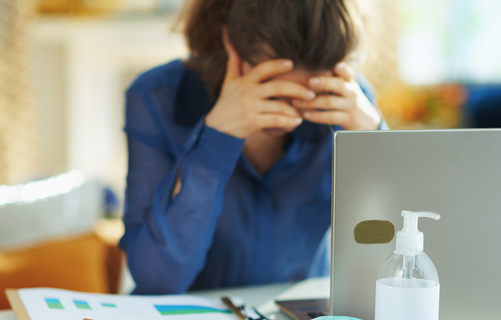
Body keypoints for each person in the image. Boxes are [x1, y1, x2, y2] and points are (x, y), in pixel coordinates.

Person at [119, 0, 388, 295]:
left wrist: (376, 146)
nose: (292, 114)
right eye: (274, 92)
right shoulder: (156, 97)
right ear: (229, 44)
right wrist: (216, 138)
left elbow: (394, 255)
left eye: (310, 94)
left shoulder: (350, 105)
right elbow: (158, 279)